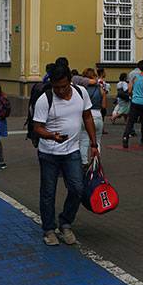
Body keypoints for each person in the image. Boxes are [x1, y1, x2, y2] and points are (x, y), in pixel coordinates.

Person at [32, 64, 99, 246]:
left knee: (77, 188)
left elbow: (87, 116)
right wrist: (52, 136)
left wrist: (94, 144)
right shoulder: (44, 100)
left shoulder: (81, 93)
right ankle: (48, 229)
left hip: (72, 151)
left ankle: (65, 223)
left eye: (63, 86)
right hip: (49, 153)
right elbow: (37, 127)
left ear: (70, 81)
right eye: (56, 87)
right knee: (48, 192)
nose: (60, 90)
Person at [78, 68, 106, 165]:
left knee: (84, 140)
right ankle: (95, 163)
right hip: (98, 116)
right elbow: (104, 106)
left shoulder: (82, 90)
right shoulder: (100, 89)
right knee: (97, 141)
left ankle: (84, 162)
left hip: (85, 116)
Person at [123, 60, 143, 148]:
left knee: (130, 121)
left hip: (134, 102)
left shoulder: (134, 77)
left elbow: (129, 90)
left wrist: (133, 96)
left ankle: (125, 137)